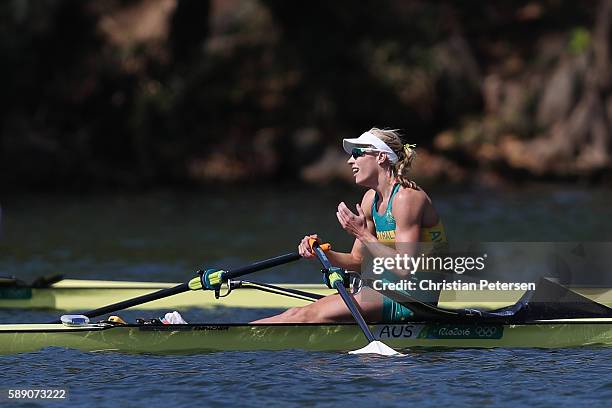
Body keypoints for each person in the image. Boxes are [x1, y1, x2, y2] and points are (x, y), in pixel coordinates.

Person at [252, 128, 447, 323]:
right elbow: (357, 260)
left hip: (414, 301)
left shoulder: (407, 198)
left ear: (380, 157)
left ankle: (228, 342)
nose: (350, 161)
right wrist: (321, 252)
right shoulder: (370, 199)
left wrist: (364, 235)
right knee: (296, 313)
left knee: (306, 315)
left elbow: (405, 267)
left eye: (357, 154)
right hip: (385, 290)